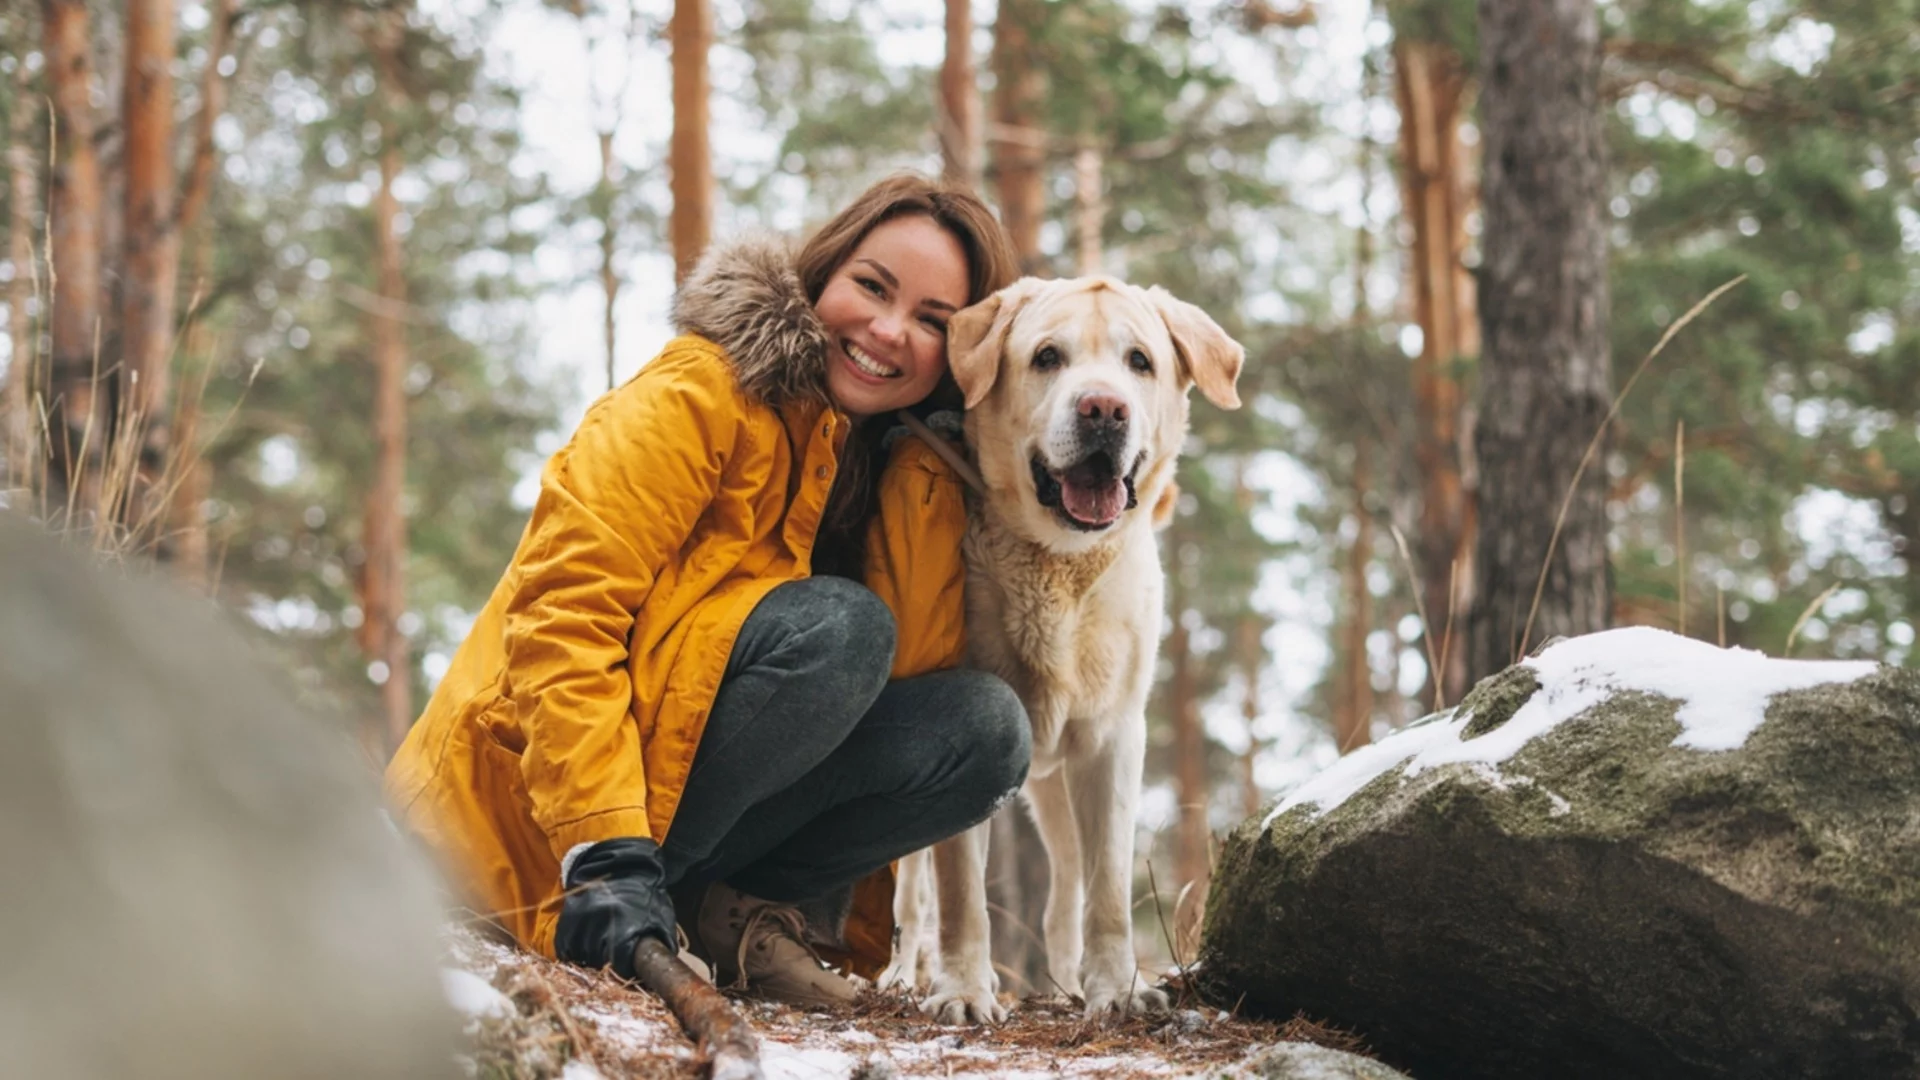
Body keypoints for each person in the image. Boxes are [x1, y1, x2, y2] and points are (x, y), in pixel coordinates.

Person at [385, 174, 1030, 1009]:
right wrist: (603, 854)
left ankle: (715, 914)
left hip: (672, 819)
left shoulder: (902, 467)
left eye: (933, 321)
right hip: (528, 822)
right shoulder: (700, 390)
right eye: (873, 287)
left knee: (985, 729)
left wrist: (936, 470)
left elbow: (915, 676)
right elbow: (563, 618)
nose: (888, 330)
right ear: (823, 270)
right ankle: (614, 899)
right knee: (840, 630)